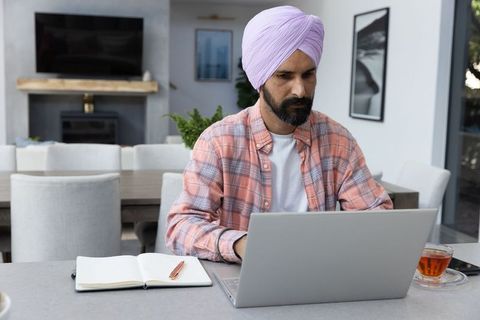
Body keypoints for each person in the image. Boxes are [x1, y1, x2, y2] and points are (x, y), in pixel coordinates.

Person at [166, 5, 393, 264]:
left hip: (319, 276)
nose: (300, 90)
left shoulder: (337, 140)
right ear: (259, 80)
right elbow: (181, 226)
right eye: (284, 76)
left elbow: (376, 216)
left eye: (308, 74)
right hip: (242, 278)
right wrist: (240, 244)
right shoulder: (219, 141)